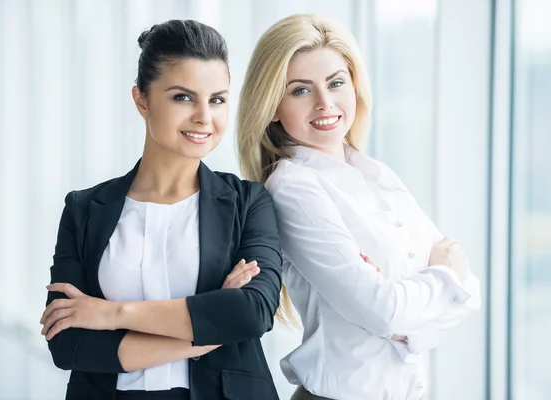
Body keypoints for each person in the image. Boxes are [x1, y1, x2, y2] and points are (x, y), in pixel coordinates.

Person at [237, 14, 481, 400]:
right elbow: (386, 309)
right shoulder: (292, 188)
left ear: (355, 87)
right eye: (300, 91)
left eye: (336, 83)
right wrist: (441, 278)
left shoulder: (375, 174)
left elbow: (469, 292)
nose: (325, 103)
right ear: (271, 105)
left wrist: (405, 322)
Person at [40, 19, 282, 400]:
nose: (205, 116)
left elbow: (252, 313)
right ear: (142, 100)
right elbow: (67, 343)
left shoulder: (249, 203)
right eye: (183, 97)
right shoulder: (84, 209)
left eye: (217, 99)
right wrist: (206, 333)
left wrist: (112, 315)